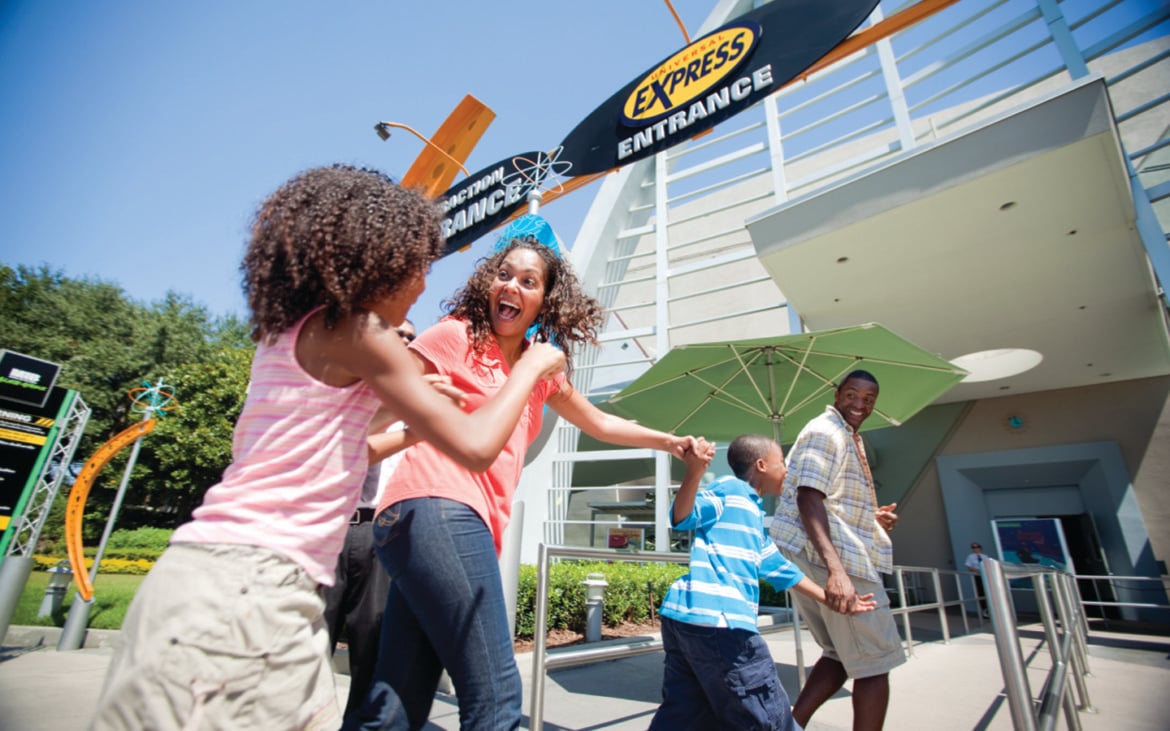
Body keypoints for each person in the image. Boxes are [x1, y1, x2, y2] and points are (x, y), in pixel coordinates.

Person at [89, 166, 565, 731]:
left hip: (202, 573)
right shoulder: (365, 335)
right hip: (253, 593)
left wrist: (408, 423)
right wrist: (531, 366)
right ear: (379, 261)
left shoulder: (295, 329)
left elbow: (335, 445)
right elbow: (479, 446)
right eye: (419, 266)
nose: (422, 285)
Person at [345, 238, 700, 731]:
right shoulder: (455, 335)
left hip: (431, 526)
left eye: (527, 281)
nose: (510, 286)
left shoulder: (540, 367)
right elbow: (378, 405)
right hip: (436, 505)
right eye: (503, 274)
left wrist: (668, 442)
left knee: (396, 702)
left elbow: (599, 422)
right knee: (496, 695)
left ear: (545, 301)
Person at [650, 434, 876, 731]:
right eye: (781, 462)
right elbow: (682, 517)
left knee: (684, 714)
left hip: (685, 621)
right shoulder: (730, 490)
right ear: (761, 465)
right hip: (722, 623)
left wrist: (831, 598)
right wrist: (694, 473)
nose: (786, 471)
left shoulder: (753, 513)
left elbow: (779, 568)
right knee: (770, 719)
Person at [770, 369, 905, 731]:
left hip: (820, 550)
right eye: (852, 395)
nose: (860, 404)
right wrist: (838, 572)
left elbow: (826, 499)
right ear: (836, 393)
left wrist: (871, 518)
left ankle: (789, 726)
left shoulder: (843, 434)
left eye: (869, 399)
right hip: (833, 558)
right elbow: (807, 497)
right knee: (877, 662)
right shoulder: (825, 430)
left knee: (841, 655)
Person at [323, 319, 416, 719]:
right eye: (400, 333)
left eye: (413, 338)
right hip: (331, 527)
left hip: (382, 530)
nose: (408, 341)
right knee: (310, 636)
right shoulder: (343, 387)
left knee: (371, 643)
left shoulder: (415, 399)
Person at [964, 541, 989, 618]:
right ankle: (984, 611)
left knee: (987, 592)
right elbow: (969, 567)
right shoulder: (970, 557)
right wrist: (977, 570)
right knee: (980, 592)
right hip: (977, 575)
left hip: (985, 576)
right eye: (974, 547)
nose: (976, 549)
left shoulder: (985, 556)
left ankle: (990, 609)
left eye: (977, 547)